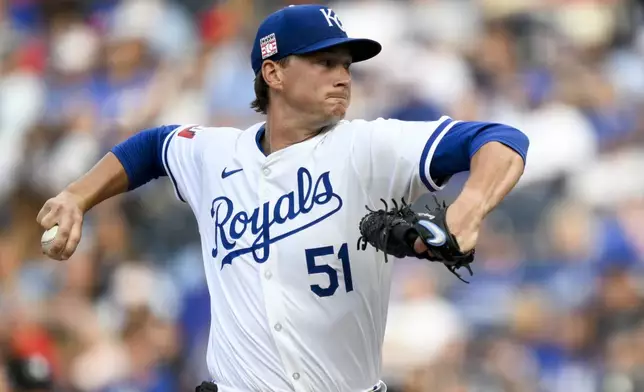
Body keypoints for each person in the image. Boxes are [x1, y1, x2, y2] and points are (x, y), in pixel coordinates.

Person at [37, 4, 529, 392]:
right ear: (273, 73)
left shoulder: (369, 146)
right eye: (323, 62)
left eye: (345, 64)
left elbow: (499, 138)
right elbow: (151, 147)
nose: (343, 75)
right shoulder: (215, 152)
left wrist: (471, 204)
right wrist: (78, 195)